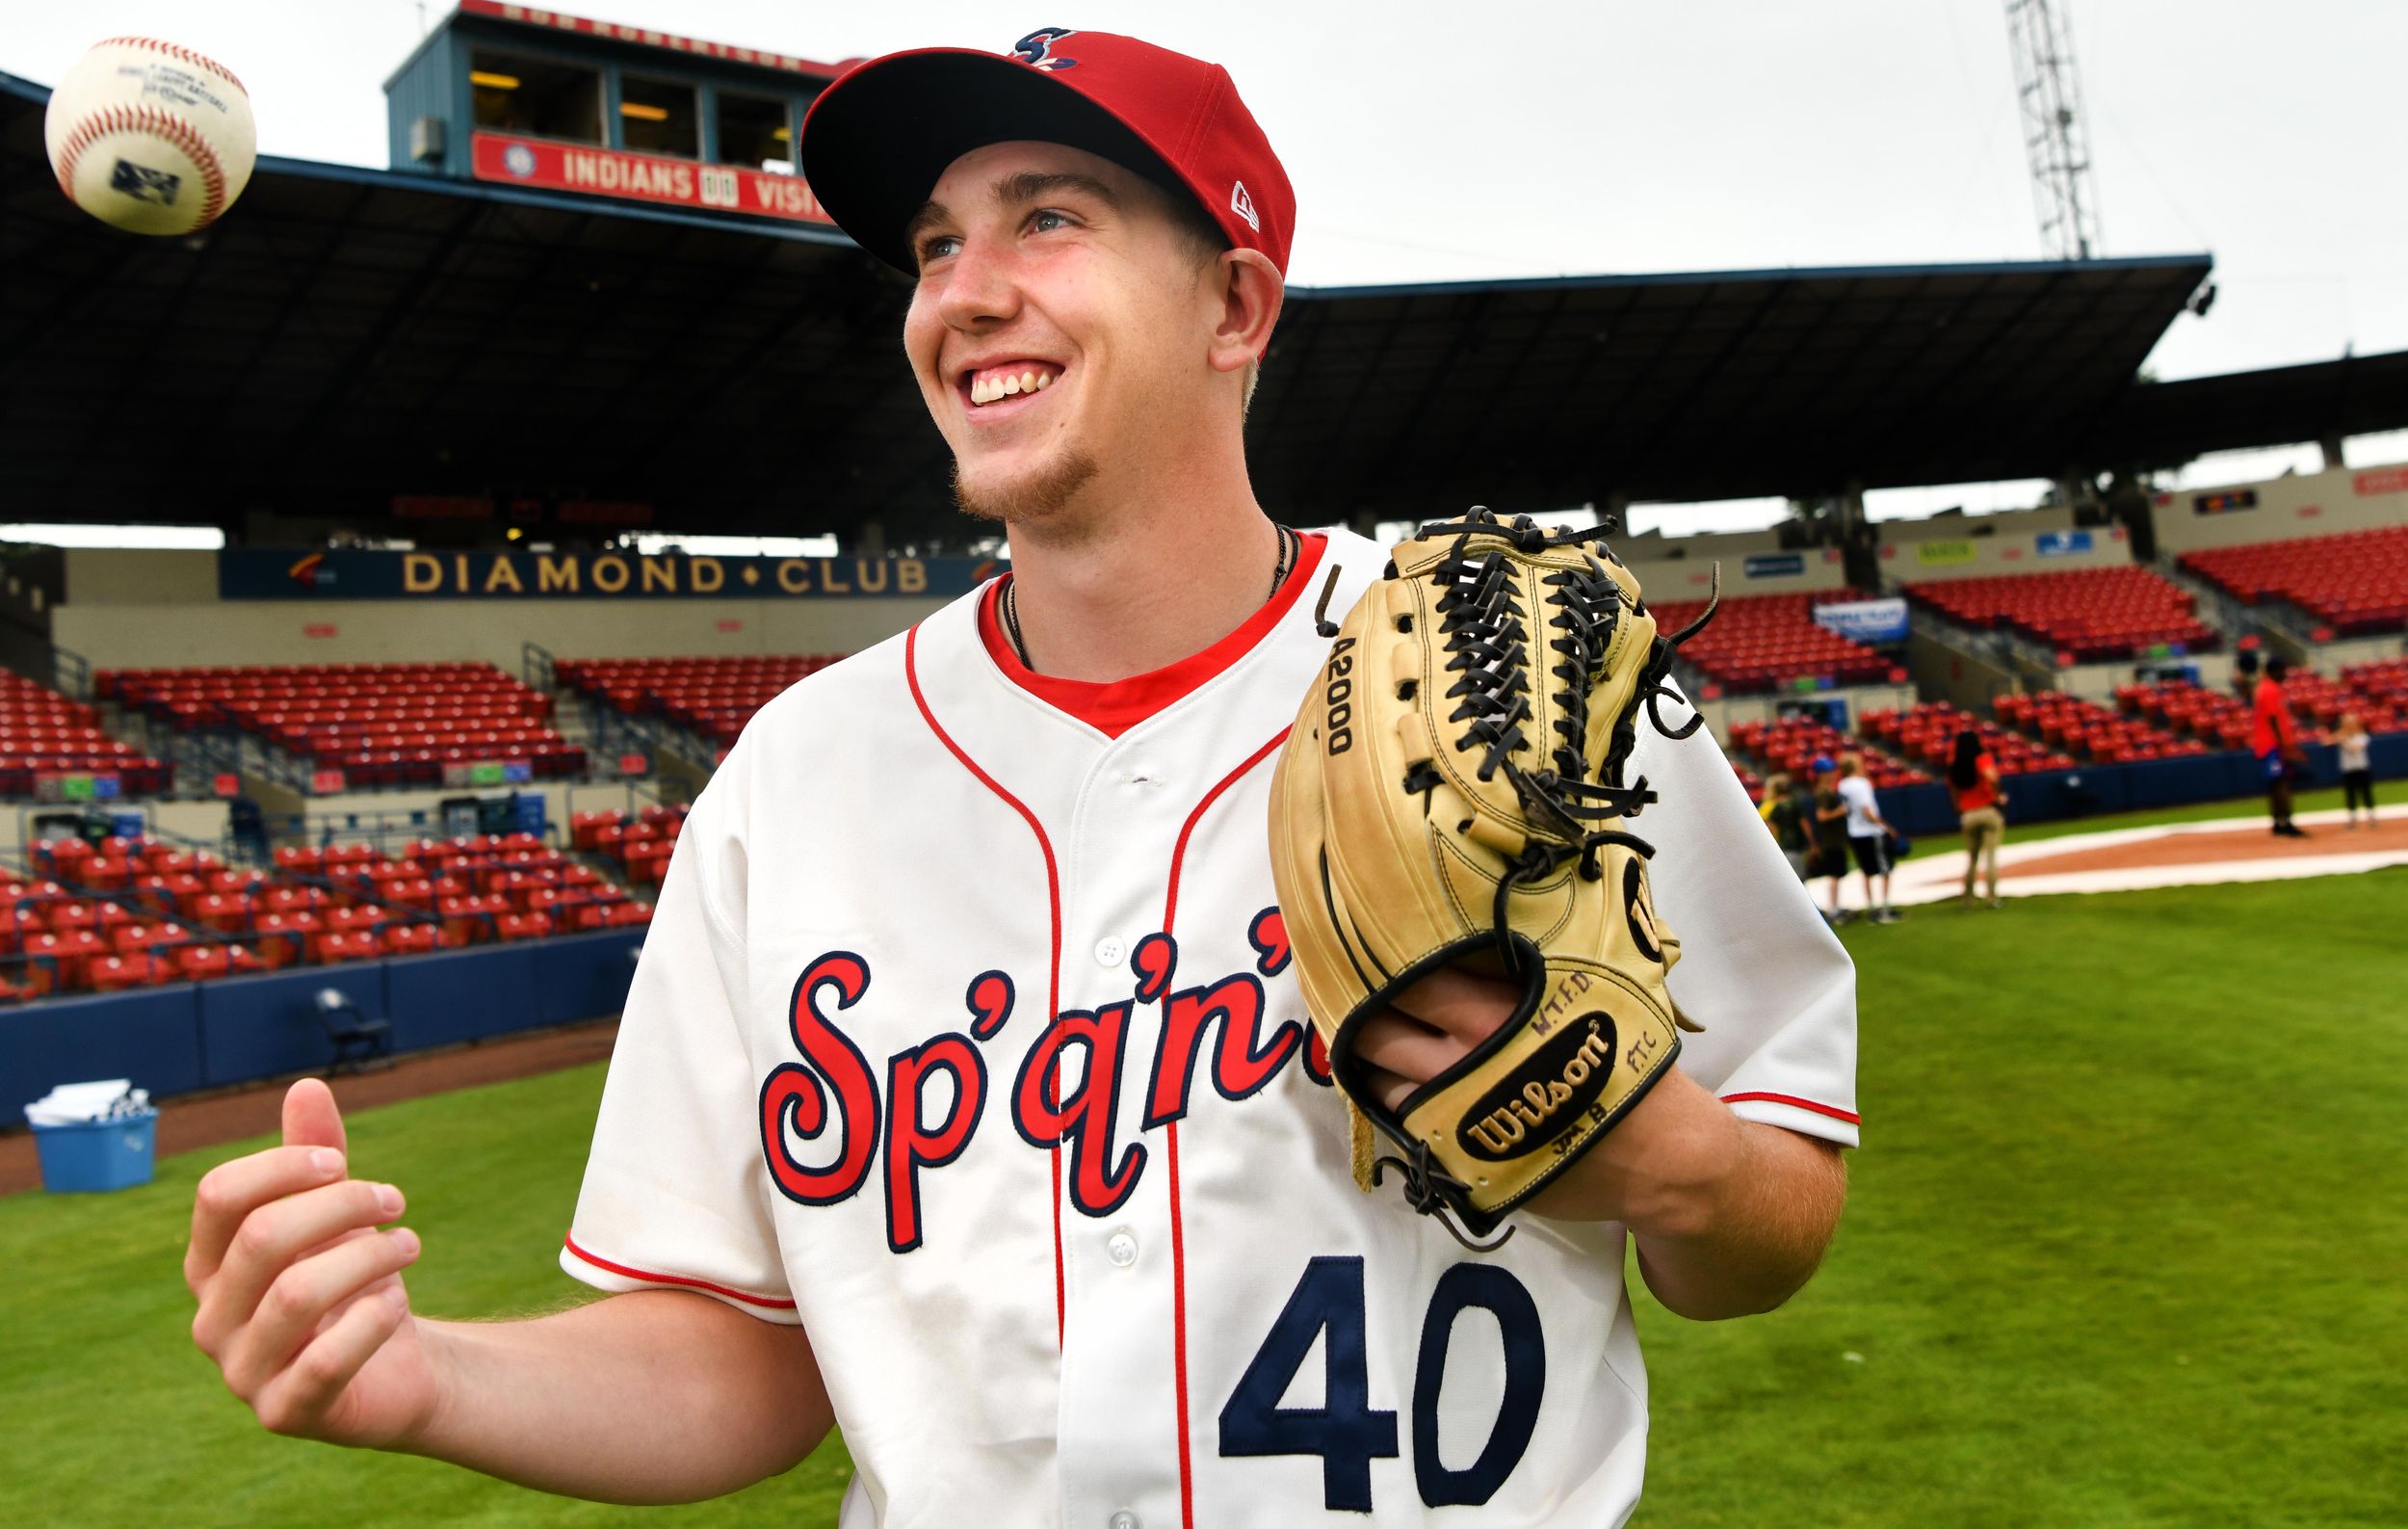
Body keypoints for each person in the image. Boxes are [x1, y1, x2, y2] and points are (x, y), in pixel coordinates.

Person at [180, 31, 1856, 1527]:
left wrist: (1679, 1168)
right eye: (934, 246)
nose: (962, 293)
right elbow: (747, 1351)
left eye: (1047, 218)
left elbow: (1779, 1203)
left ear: (1234, 306)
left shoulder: (1509, 676)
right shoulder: (794, 780)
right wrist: (425, 1373)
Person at [1836, 752, 1900, 923]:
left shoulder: (1842, 785)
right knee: (1885, 869)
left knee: (1867, 871)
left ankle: (1872, 907)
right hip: (1870, 832)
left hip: (1854, 831)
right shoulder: (1861, 784)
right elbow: (1867, 811)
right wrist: (1886, 827)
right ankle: (1885, 908)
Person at [1948, 727, 2005, 907]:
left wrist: (1960, 811)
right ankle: (1992, 898)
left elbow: (1954, 795)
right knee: (1990, 857)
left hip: (1968, 814)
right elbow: (1992, 777)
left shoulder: (1954, 766)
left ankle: (1967, 899)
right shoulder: (1981, 759)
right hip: (1987, 810)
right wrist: (1997, 796)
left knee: (1972, 859)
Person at [2252, 655, 2307, 837]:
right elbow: (2273, 719)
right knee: (2281, 783)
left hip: (2269, 745)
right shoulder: (2270, 689)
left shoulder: (2265, 688)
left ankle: (2278, 822)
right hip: (2272, 746)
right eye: (2283, 670)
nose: (2285, 674)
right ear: (2275, 671)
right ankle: (2286, 823)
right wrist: (2285, 746)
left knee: (2275, 784)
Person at [1807, 753, 1853, 922]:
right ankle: (1833, 909)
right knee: (1834, 875)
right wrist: (1840, 811)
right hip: (1831, 841)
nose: (1833, 774)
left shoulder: (1826, 791)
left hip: (1835, 840)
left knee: (1836, 875)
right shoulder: (1824, 793)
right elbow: (1822, 815)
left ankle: (1836, 907)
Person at [1760, 770, 1812, 880]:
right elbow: (1804, 824)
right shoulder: (1792, 803)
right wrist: (1812, 842)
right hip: (1793, 844)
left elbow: (1769, 826)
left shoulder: (1770, 805)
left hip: (1780, 845)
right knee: (1797, 876)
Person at [2338, 711, 2376, 828]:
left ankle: (2371, 817)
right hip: (2348, 769)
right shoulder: (2341, 736)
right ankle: (2352, 818)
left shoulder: (2362, 736)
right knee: (2350, 795)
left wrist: (2344, 741)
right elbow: (2325, 741)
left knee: (2366, 793)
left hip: (2361, 768)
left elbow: (2356, 749)